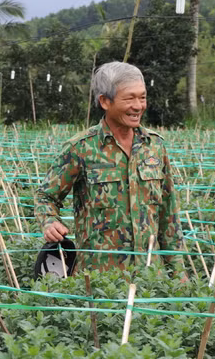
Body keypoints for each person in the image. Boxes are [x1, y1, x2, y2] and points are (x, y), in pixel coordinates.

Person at [34, 61, 184, 273]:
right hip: (101, 281)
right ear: (105, 101)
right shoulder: (81, 148)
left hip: (151, 277)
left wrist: (178, 272)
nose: (138, 106)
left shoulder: (155, 146)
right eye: (129, 98)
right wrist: (49, 222)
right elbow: (46, 197)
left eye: (142, 97)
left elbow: (168, 213)